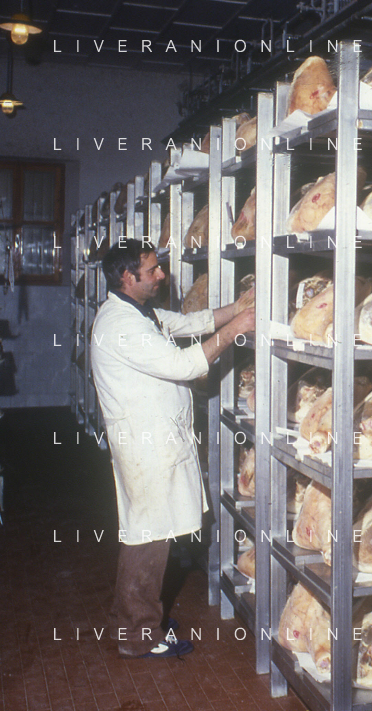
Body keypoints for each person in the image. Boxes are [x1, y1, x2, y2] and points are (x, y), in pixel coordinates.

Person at [89, 238, 255, 659]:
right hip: (145, 445)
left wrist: (237, 308)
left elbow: (189, 323)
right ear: (128, 277)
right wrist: (235, 329)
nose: (162, 275)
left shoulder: (138, 312)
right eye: (152, 270)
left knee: (151, 530)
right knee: (148, 536)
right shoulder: (121, 325)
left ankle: (135, 616)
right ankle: (138, 633)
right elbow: (184, 365)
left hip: (154, 439)